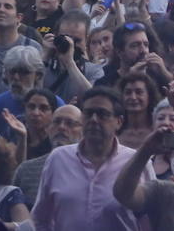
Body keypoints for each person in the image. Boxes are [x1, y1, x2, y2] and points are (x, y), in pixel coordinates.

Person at [32, 86, 152, 230]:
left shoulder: (136, 162)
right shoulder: (58, 159)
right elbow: (40, 219)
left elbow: (152, 218)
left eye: (102, 114)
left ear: (119, 122)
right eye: (88, 113)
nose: (94, 120)